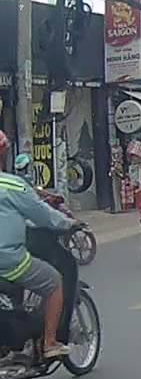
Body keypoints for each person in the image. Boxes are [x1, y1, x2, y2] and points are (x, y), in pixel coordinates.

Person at [0, 131, 77, 360]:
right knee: (54, 282)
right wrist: (68, 223)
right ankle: (50, 342)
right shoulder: (12, 185)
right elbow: (43, 215)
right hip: (8, 260)